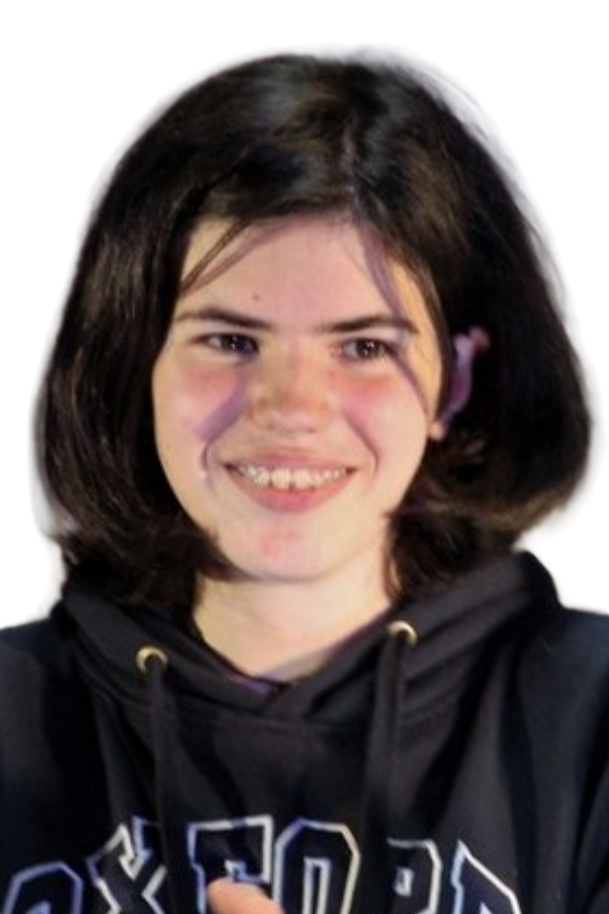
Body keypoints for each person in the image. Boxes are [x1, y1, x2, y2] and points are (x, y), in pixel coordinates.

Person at [8, 49, 608, 914]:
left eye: (363, 346)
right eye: (230, 341)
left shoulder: (591, 721)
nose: (292, 408)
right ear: (135, 368)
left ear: (458, 382)